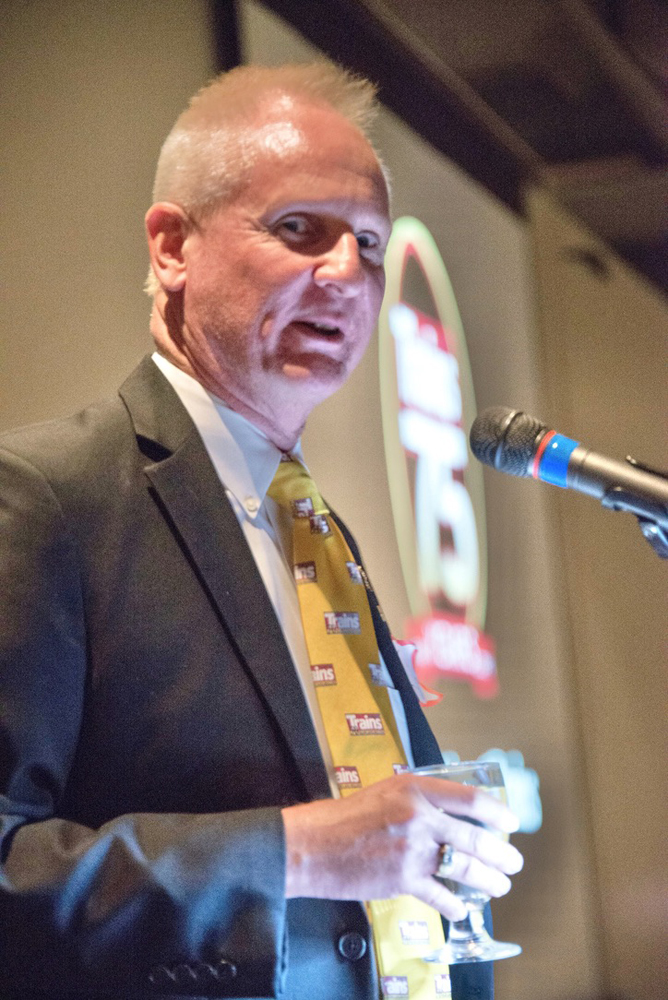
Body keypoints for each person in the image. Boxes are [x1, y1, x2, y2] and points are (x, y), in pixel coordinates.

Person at [0, 63, 522, 1000]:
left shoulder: (312, 526)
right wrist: (297, 853)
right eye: (298, 230)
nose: (345, 273)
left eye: (367, 243)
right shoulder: (48, 496)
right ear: (171, 247)